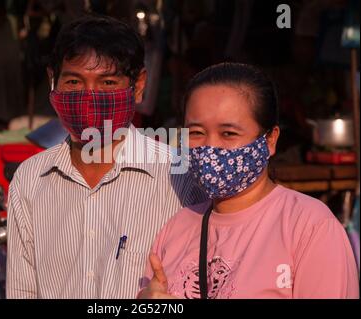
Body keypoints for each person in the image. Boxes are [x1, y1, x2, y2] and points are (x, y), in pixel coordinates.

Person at [6, 15, 206, 299]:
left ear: (138, 86)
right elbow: (21, 291)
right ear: (53, 82)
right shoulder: (30, 179)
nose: (89, 96)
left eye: (108, 82)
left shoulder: (181, 176)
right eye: (74, 82)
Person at [139, 62, 359, 299]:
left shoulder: (310, 227)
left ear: (270, 140)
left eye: (228, 133)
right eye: (196, 132)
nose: (210, 146)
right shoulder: (177, 228)